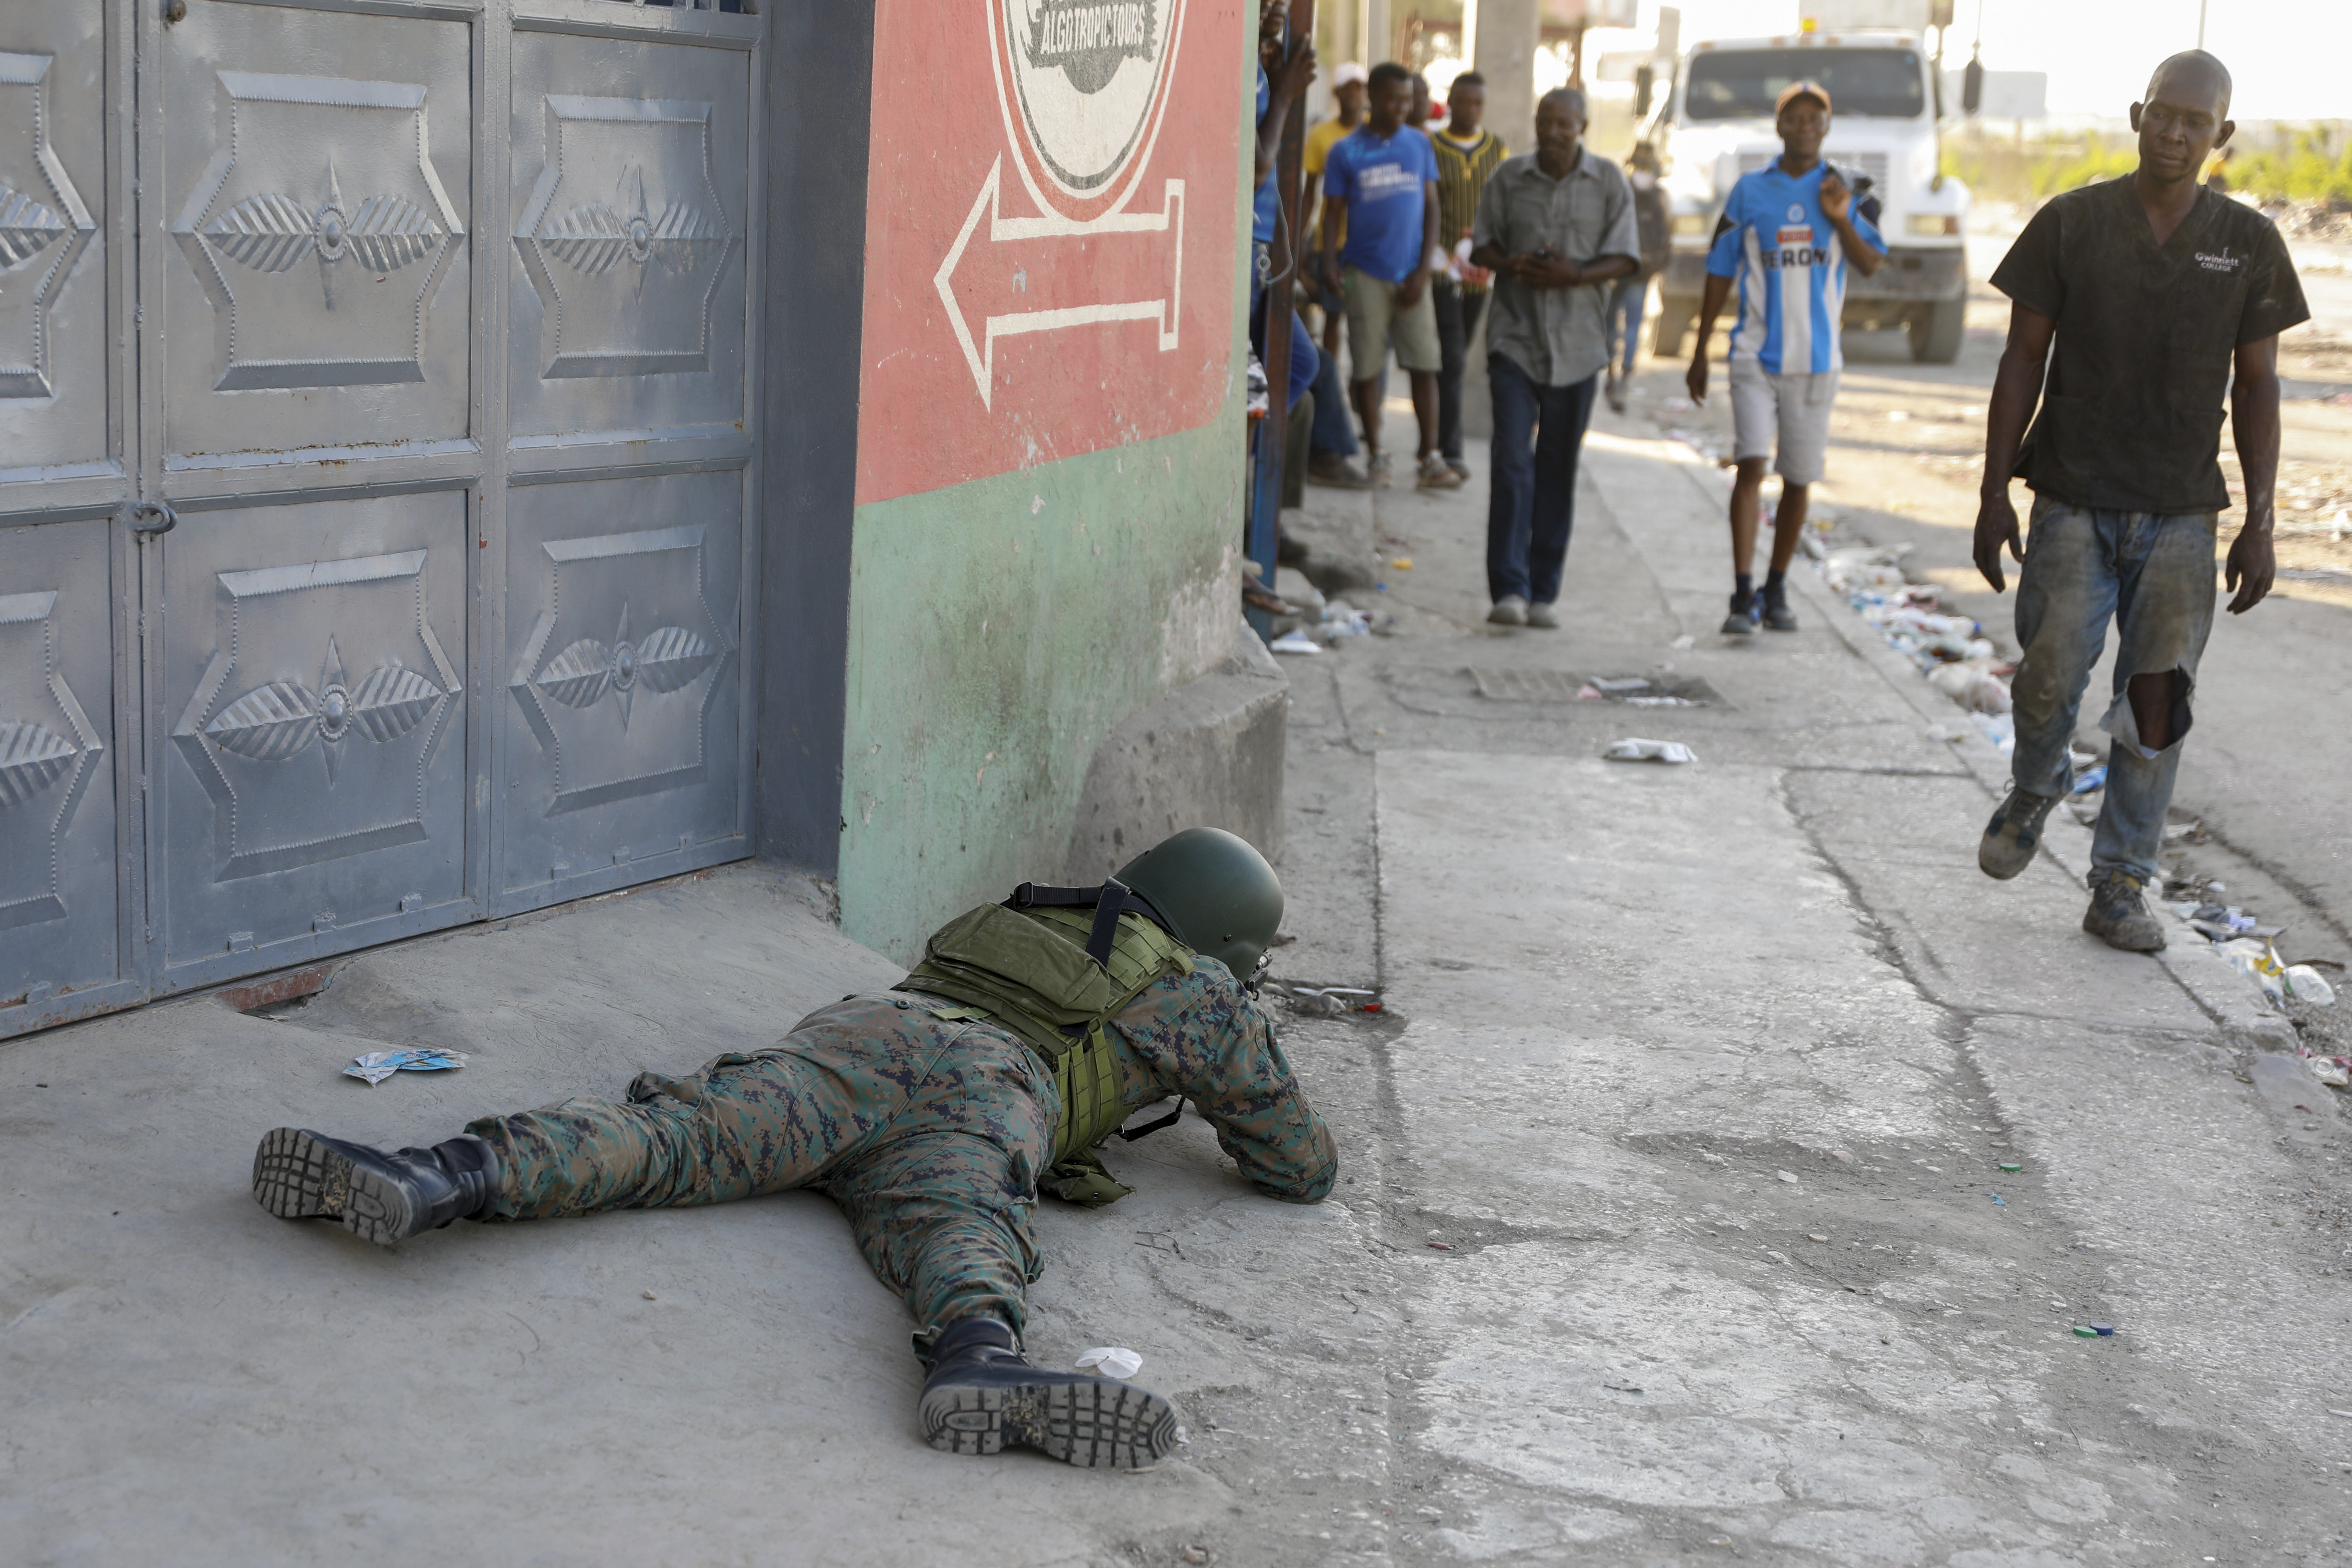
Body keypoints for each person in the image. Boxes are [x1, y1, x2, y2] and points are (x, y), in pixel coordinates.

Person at [250, 829, 1339, 1470]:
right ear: (1228, 940)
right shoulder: (1198, 992)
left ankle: (434, 1172)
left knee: (668, 1134)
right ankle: (977, 1359)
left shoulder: (1025, 905)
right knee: (963, 1221)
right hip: (986, 1086)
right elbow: (1299, 1163)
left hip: (857, 1037)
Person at [1972, 51, 2303, 952]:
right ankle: (2036, 786)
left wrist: (2261, 523)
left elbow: (2261, 387)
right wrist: (1993, 491)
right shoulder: (2073, 223)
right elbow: (2020, 361)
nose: (2177, 132)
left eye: (2198, 121)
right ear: (2137, 114)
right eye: (2164, 114)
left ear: (2222, 136)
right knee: (2047, 676)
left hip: (2183, 518)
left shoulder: (2248, 244)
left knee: (2156, 705)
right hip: (2073, 497)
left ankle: (2119, 883)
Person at [1685, 81, 1884, 636]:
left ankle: (1776, 588)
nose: (1803, 127)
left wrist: (1840, 217)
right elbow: (1720, 271)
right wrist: (1700, 349)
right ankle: (1742, 592)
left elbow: (1870, 264)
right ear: (1779, 128)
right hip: (1753, 356)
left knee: (1797, 480)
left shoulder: (1848, 191)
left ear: (1825, 128)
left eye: (1813, 119)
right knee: (1751, 464)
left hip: (1817, 363)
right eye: (1792, 118)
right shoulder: (1749, 192)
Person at [1466, 88, 1639, 628]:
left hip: (1579, 347)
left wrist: (1575, 275)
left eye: (1564, 124)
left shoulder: (1609, 181)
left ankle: (1543, 591)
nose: (1553, 133)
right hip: (1514, 340)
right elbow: (1480, 248)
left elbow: (1626, 258)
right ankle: (1509, 590)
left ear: (1582, 126)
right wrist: (1513, 264)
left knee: (1557, 468)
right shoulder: (1508, 177)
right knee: (1511, 461)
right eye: (1545, 122)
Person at [1320, 62, 1455, 490]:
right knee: (1366, 364)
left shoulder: (1419, 144)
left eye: (1409, 100)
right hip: (1364, 271)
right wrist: (1327, 262)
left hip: (1412, 273)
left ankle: (1429, 456)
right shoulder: (1345, 151)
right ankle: (1376, 452)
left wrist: (1422, 269)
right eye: (1394, 99)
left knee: (1424, 364)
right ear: (1372, 98)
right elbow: (1332, 213)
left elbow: (1431, 207)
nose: (1403, 107)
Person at [1431, 72, 1508, 481]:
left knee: (1457, 356)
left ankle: (1442, 443)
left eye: (1477, 103)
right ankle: (1450, 448)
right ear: (1452, 101)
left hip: (1480, 268)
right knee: (1452, 354)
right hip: (1441, 264)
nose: (1470, 110)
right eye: (1463, 102)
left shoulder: (1497, 150)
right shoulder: (1433, 146)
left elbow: (1504, 206)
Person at [1304, 62, 1373, 489]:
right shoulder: (1322, 137)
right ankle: (1335, 402)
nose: (1354, 94)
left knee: (1365, 336)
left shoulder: (1373, 138)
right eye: (1347, 88)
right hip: (1330, 245)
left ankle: (1362, 408)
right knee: (1330, 326)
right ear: (1336, 93)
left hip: (1365, 248)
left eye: (1360, 88)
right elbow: (1309, 194)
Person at [1603, 140, 1669, 414]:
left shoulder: (1621, 188)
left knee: (1610, 320)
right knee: (1634, 324)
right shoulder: (1661, 195)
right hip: (1645, 269)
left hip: (1619, 267)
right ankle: (1626, 378)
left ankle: (1610, 370)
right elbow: (1669, 231)